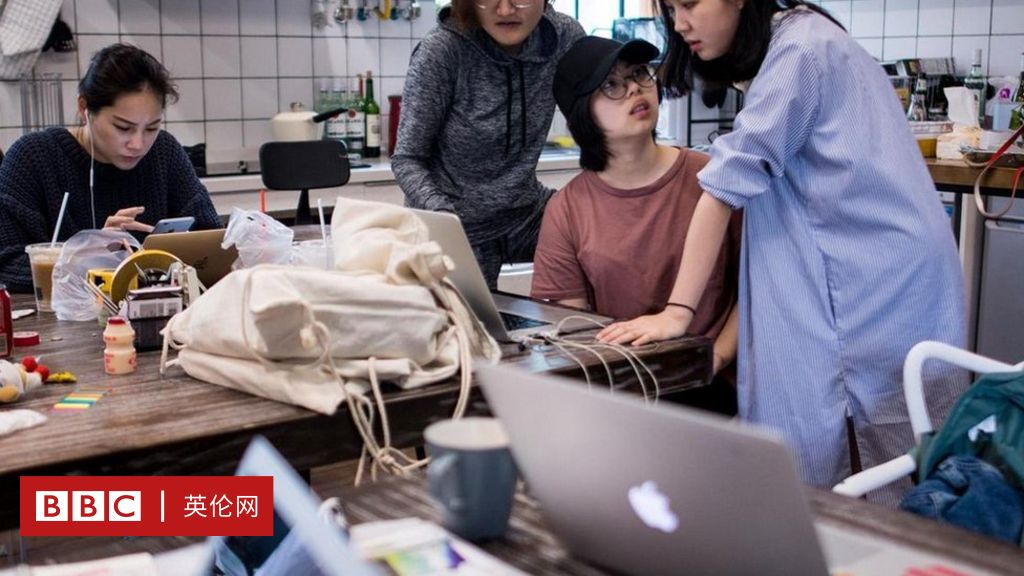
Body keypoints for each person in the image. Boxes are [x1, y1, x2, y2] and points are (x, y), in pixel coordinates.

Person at [597, 0, 968, 503]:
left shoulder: (800, 50)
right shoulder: (799, 40)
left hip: (874, 277)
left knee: (890, 458)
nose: (681, 24)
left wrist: (676, 313)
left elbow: (723, 188)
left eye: (689, 3)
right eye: (671, 10)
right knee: (866, 448)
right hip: (875, 265)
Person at [533, 36, 741, 412]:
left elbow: (759, 286)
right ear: (582, 114)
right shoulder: (567, 209)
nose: (634, 88)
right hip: (626, 390)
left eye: (639, 73)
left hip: (719, 383)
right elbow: (573, 331)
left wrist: (717, 358)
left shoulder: (715, 178)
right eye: (611, 85)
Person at [392, 0, 584, 289]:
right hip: (455, 222)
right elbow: (407, 159)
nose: (505, 10)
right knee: (470, 315)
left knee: (600, 232)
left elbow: (594, 117)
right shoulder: (442, 50)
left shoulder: (563, 37)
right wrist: (444, 218)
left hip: (525, 214)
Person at [0, 43, 220, 293]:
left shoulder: (164, 151)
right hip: (58, 316)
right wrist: (86, 256)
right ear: (84, 109)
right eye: (123, 128)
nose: (138, 144)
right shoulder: (33, 158)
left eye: (151, 128)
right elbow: (6, 264)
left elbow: (213, 242)